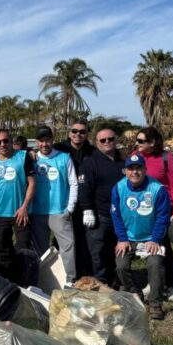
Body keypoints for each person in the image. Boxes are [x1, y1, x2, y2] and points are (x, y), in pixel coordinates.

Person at [111, 154, 171, 320]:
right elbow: (115, 216)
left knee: (155, 264)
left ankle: (155, 304)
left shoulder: (157, 189)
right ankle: (134, 294)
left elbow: (162, 216)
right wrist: (122, 239)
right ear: (125, 171)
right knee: (121, 265)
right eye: (131, 169)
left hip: (151, 238)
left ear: (145, 169)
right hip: (128, 238)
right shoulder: (118, 188)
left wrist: (156, 239)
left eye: (138, 168)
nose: (135, 172)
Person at [134, 126, 173, 301]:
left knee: (164, 248)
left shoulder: (166, 158)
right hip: (144, 210)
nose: (137, 143)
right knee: (148, 247)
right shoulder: (136, 156)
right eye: (137, 140)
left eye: (141, 141)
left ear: (153, 142)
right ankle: (154, 282)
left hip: (164, 209)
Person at [29, 126, 78, 286]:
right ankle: (43, 280)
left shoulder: (64, 158)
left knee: (67, 247)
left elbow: (73, 183)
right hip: (37, 211)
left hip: (59, 211)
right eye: (41, 140)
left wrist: (69, 208)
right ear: (37, 142)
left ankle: (69, 280)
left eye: (48, 140)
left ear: (52, 140)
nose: (45, 144)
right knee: (40, 250)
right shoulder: (32, 159)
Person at [0, 129, 36, 279]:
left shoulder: (23, 157)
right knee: (2, 249)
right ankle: (6, 280)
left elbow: (32, 183)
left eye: (6, 141)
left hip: (20, 212)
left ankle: (24, 281)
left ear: (11, 141)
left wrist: (24, 207)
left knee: (24, 248)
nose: (2, 144)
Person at [79, 128, 125, 287]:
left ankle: (118, 282)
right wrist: (87, 209)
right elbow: (84, 187)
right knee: (98, 253)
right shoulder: (90, 162)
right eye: (103, 140)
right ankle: (100, 284)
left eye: (110, 139)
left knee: (119, 252)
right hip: (100, 216)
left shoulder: (124, 161)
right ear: (96, 143)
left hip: (122, 217)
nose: (107, 142)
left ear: (115, 140)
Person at [54, 121, 96, 278]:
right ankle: (63, 273)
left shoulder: (92, 151)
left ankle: (84, 272)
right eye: (74, 131)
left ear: (87, 134)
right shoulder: (59, 149)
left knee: (83, 238)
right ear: (69, 132)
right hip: (62, 201)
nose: (78, 134)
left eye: (82, 132)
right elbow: (42, 155)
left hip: (85, 201)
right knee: (63, 239)